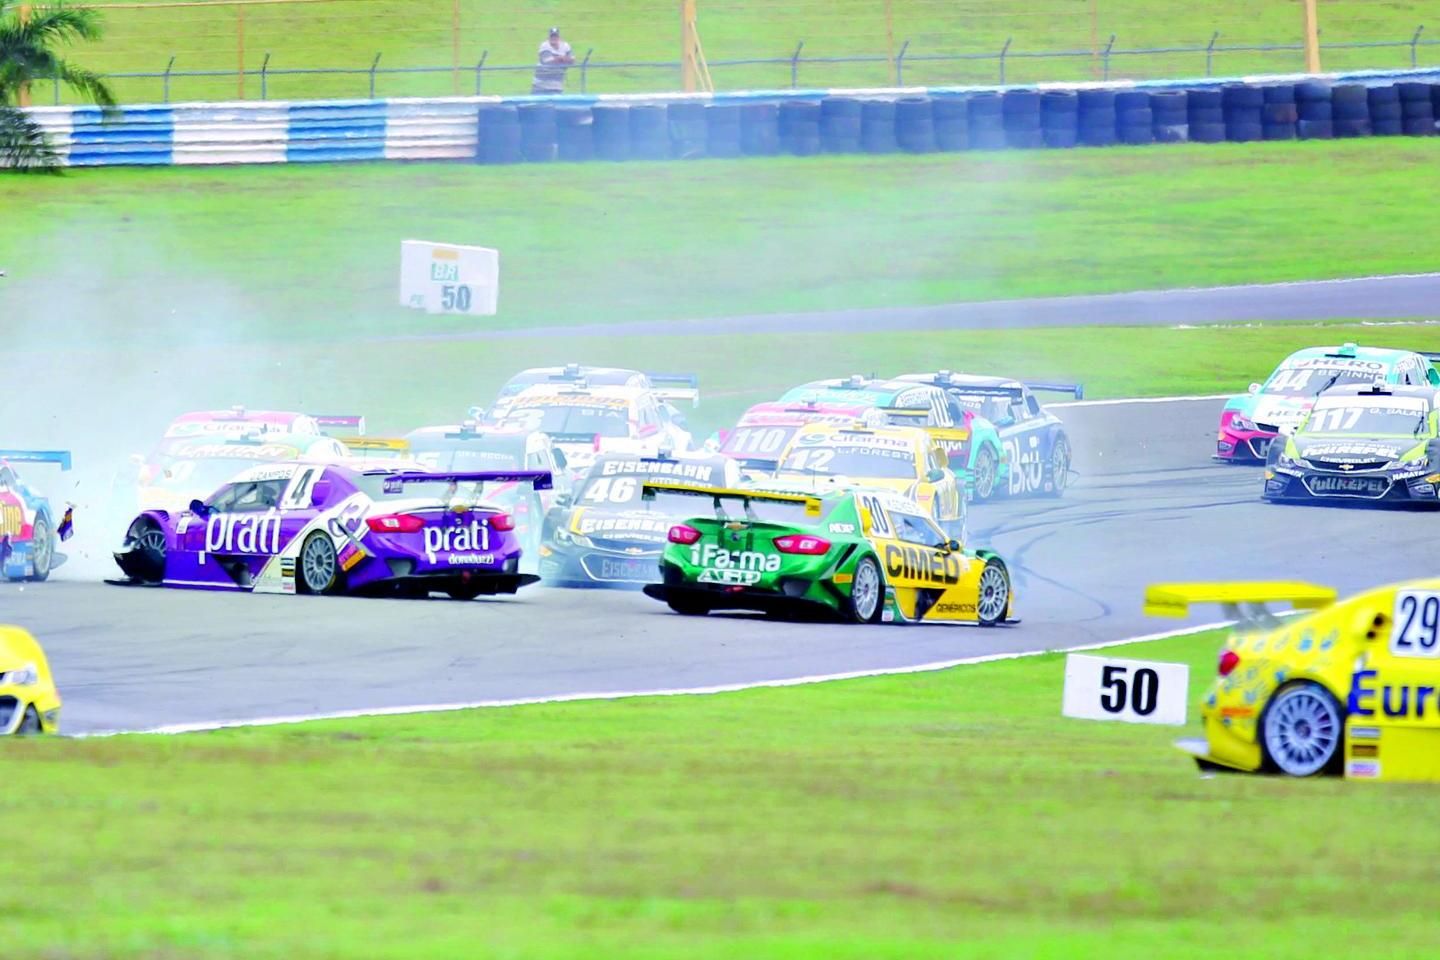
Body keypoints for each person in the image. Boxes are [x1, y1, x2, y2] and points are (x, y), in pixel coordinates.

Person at [532, 26, 575, 95]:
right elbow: (549, 61)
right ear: (549, 37)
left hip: (557, 85)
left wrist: (559, 58)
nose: (554, 38)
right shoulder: (544, 46)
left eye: (555, 36)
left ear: (559, 37)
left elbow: (572, 60)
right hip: (541, 85)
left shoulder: (565, 46)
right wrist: (563, 59)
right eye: (552, 36)